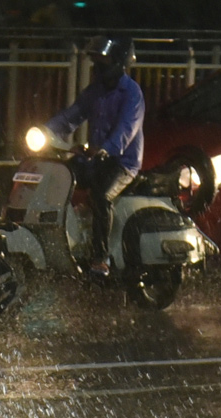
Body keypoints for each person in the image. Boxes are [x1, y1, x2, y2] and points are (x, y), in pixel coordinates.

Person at [46, 35, 144, 277]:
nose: (98, 66)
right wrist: (45, 131)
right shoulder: (95, 91)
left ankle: (100, 258)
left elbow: (126, 129)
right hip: (96, 158)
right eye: (97, 61)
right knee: (58, 177)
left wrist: (106, 148)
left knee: (100, 196)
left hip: (122, 163)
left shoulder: (132, 93)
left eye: (104, 61)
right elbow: (73, 115)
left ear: (118, 62)